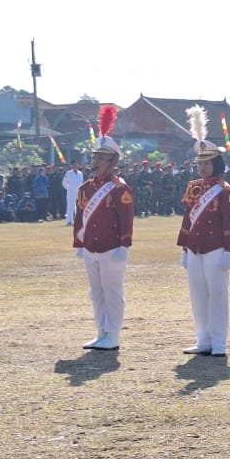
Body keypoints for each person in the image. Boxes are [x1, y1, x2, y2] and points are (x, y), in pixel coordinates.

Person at [177, 106, 230, 357]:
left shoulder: (224, 189)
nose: (202, 167)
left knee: (217, 295)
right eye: (199, 163)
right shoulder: (193, 186)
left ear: (216, 163)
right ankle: (203, 338)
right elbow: (187, 218)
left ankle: (219, 341)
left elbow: (228, 221)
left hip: (215, 248)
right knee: (198, 296)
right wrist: (183, 247)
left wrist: (228, 250)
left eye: (207, 163)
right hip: (194, 248)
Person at [72, 106, 134, 351]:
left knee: (113, 292)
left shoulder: (119, 188)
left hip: (112, 247)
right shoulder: (85, 187)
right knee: (95, 292)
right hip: (91, 247)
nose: (95, 161)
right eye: (95, 157)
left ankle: (113, 334)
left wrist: (124, 244)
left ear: (113, 161)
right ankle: (100, 332)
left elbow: (126, 218)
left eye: (101, 158)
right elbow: (79, 217)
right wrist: (79, 243)